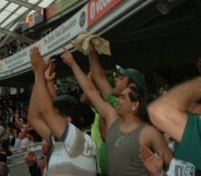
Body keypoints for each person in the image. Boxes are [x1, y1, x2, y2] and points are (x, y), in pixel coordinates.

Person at [62, 48, 173, 176]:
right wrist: (72, 64)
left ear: (134, 105)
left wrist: (160, 174)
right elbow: (91, 91)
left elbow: (176, 165)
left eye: (123, 97)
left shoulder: (149, 133)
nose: (117, 100)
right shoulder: (111, 117)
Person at [28, 47, 97, 175]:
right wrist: (39, 78)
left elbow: (45, 111)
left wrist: (39, 75)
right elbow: (33, 118)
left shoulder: (79, 139)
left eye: (56, 113)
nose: (51, 118)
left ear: (67, 119)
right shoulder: (60, 139)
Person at [144, 76, 201, 175]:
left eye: (191, 106)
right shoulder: (182, 141)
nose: (186, 111)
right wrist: (159, 173)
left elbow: (158, 110)